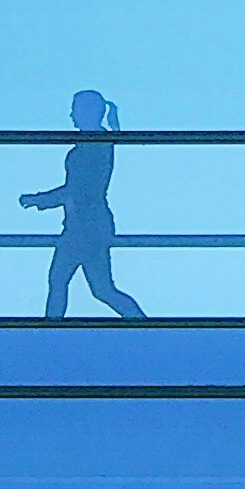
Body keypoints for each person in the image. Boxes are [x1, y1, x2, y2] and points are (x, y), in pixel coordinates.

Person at [21, 88, 147, 321]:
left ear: (88, 112)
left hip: (86, 225)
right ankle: (140, 322)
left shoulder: (94, 145)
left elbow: (78, 189)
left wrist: (39, 200)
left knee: (67, 282)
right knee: (99, 288)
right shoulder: (95, 143)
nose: (71, 116)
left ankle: (51, 330)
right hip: (87, 223)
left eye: (75, 110)